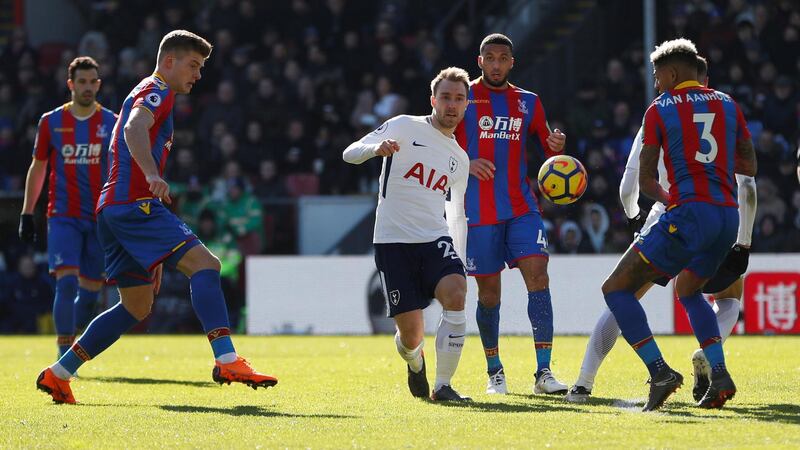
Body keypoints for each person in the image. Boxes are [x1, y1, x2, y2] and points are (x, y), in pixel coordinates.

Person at [36, 30, 277, 405]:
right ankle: (227, 360)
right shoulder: (157, 88)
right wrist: (152, 175)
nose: (197, 74)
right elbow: (133, 128)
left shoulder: (152, 90)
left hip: (114, 210)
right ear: (169, 61)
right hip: (135, 205)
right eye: (193, 65)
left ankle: (59, 373)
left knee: (136, 306)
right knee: (206, 265)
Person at [567, 55, 758, 404]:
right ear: (705, 78)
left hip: (675, 213)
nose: (655, 82)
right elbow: (748, 176)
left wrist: (634, 217)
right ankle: (717, 371)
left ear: (672, 74)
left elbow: (632, 183)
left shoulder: (662, 108)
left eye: (657, 76)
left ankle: (587, 382)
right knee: (708, 294)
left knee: (617, 292)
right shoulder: (726, 105)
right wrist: (744, 242)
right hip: (727, 216)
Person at [343, 67, 472, 401]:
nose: (451, 105)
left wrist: (459, 253)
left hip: (434, 240)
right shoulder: (403, 125)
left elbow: (456, 211)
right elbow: (350, 152)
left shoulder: (459, 158)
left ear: (467, 105)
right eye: (445, 97)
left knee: (457, 293)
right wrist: (375, 149)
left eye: (459, 99)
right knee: (411, 336)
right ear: (433, 100)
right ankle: (416, 363)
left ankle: (443, 386)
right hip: (393, 242)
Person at [454, 33, 567, 395]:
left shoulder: (528, 102)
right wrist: (466, 163)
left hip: (521, 207)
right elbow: (438, 146)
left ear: (512, 63)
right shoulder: (462, 97)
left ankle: (544, 372)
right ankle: (494, 371)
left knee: (539, 278)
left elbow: (545, 141)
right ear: (480, 61)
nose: (497, 64)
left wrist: (554, 145)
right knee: (489, 296)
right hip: (478, 211)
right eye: (491, 58)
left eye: (504, 58)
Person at [19, 56, 117, 357]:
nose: (88, 88)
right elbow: (38, 168)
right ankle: (63, 355)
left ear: (98, 85)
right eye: (82, 82)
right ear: (71, 84)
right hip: (63, 216)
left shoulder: (111, 122)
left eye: (93, 82)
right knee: (66, 284)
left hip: (99, 219)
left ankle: (73, 344)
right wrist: (26, 212)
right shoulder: (51, 122)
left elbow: (118, 171)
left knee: (89, 296)